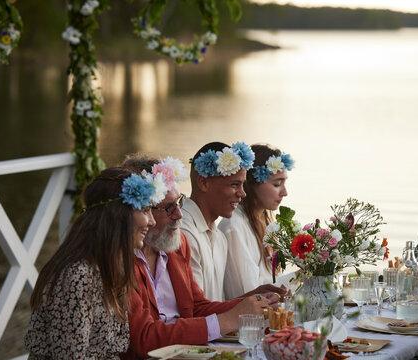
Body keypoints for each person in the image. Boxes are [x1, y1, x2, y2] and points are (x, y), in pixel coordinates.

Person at [120, 155, 275, 359]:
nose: (179, 215)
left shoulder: (176, 243)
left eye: (178, 202)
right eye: (168, 208)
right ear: (139, 211)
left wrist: (251, 302)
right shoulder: (120, 257)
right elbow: (143, 338)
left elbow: (196, 307)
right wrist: (228, 320)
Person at [25, 167, 164, 359]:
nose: (152, 221)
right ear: (119, 214)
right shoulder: (78, 276)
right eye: (146, 210)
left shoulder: (113, 267)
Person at [181, 142, 287, 301]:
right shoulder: (184, 232)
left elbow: (217, 304)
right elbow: (195, 311)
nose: (242, 194)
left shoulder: (219, 237)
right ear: (203, 182)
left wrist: (255, 296)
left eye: (243, 185)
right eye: (234, 184)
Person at [218, 144, 294, 299]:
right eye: (277, 184)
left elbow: (271, 280)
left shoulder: (264, 220)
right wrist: (299, 278)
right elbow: (248, 295)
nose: (284, 193)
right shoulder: (234, 226)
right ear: (252, 184)